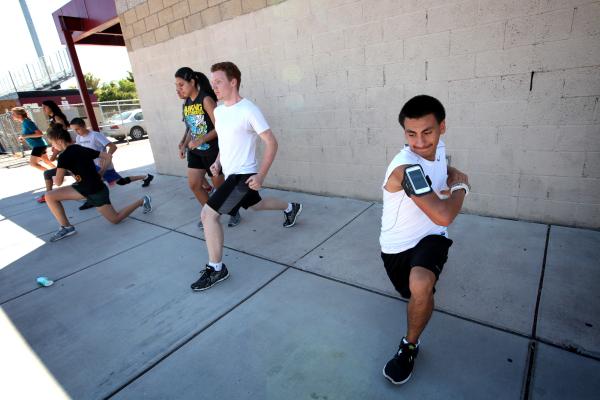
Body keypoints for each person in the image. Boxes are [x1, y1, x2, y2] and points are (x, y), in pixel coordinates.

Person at [379, 95, 470, 385]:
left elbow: (439, 222)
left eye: (427, 132)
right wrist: (462, 185)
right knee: (410, 293)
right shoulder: (406, 168)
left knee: (421, 284)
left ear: (442, 127)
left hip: (431, 236)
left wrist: (450, 175)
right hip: (396, 248)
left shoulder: (439, 148)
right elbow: (444, 214)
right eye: (411, 134)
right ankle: (422, 293)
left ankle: (409, 346)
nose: (419, 142)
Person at [190, 62, 302, 291]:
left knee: (208, 215)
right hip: (231, 173)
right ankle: (291, 207)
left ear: (233, 82)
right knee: (256, 205)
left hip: (244, 175)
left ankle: (217, 268)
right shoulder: (220, 111)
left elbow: (271, 142)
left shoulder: (249, 109)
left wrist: (260, 175)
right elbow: (226, 140)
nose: (215, 87)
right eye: (212, 83)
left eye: (219, 82)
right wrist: (218, 160)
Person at [43, 124, 152, 242]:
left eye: (52, 143)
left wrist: (60, 174)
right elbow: (107, 156)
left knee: (115, 219)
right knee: (49, 196)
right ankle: (67, 227)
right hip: (86, 188)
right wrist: (101, 172)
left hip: (95, 191)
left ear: (59, 141)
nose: (52, 147)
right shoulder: (80, 148)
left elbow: (58, 182)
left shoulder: (64, 156)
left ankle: (143, 200)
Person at [175, 67, 241, 228]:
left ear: (192, 82)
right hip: (196, 153)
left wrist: (201, 140)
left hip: (213, 151)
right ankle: (210, 215)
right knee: (194, 185)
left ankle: (234, 211)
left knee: (221, 189)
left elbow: (220, 127)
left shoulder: (206, 100)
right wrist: (184, 143)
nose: (178, 89)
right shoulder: (187, 103)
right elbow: (192, 127)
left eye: (181, 84)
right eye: (176, 85)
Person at [70, 117, 153, 210]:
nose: (76, 132)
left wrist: (106, 157)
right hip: (90, 166)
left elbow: (113, 147)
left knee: (120, 182)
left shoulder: (95, 135)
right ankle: (91, 201)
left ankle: (146, 177)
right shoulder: (78, 138)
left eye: (77, 129)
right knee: (91, 183)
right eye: (74, 130)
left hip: (103, 165)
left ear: (84, 126)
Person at [11, 107, 55, 172]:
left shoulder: (27, 122)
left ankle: (51, 175)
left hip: (38, 146)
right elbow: (30, 135)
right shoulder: (24, 122)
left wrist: (25, 136)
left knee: (33, 164)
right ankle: (60, 173)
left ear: (19, 115)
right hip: (39, 145)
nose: (12, 116)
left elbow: (40, 134)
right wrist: (23, 137)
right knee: (47, 161)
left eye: (13, 114)